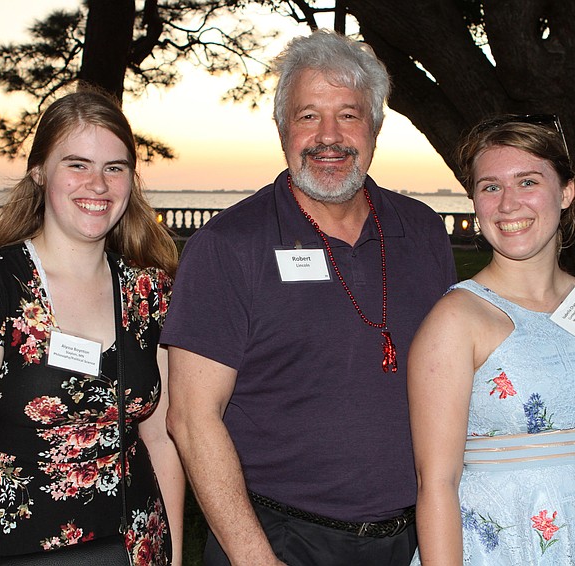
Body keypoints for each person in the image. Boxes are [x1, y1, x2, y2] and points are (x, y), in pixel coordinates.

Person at [161, 30, 456, 566]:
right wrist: (255, 558)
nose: (329, 137)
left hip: (419, 538)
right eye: (307, 116)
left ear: (374, 128)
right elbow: (191, 416)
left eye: (348, 115)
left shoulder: (423, 233)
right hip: (280, 540)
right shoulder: (228, 247)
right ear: (281, 130)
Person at [408, 114, 575, 565]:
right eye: (490, 187)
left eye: (527, 181)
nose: (508, 204)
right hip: (501, 546)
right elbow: (437, 482)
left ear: (567, 191)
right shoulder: (456, 321)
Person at [0, 89, 184, 565]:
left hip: (135, 550)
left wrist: (171, 558)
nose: (98, 183)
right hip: (19, 550)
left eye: (115, 167)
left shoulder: (149, 290)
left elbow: (162, 439)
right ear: (39, 173)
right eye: (77, 164)